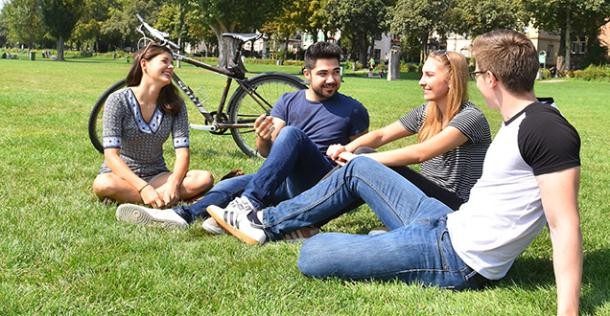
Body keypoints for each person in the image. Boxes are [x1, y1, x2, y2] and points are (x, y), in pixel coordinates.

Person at [209, 30, 582, 315]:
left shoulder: (544, 129)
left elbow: (563, 223)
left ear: (491, 80)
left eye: (480, 71)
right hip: (444, 220)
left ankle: (268, 218)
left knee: (314, 254)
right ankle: (263, 220)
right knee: (359, 167)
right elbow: (384, 136)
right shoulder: (519, 122)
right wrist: (353, 150)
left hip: (454, 257)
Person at [115, 41, 369, 231]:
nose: (331, 79)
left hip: (320, 182)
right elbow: (267, 153)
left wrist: (347, 152)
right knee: (228, 186)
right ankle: (184, 216)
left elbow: (361, 163)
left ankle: (245, 205)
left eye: (336, 72)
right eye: (323, 73)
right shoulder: (288, 101)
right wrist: (262, 136)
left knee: (293, 134)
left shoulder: (354, 109)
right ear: (307, 74)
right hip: (285, 180)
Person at [326, 50, 490, 210]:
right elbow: (381, 135)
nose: (421, 81)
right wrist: (346, 149)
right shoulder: (427, 111)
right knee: (362, 152)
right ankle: (307, 219)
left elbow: (420, 153)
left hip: (454, 206)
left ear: (452, 79)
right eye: (422, 74)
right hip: (428, 196)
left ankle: (304, 214)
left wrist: (359, 160)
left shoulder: (470, 117)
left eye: (429, 75)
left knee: (364, 157)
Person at [92, 43, 214, 210]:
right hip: (122, 177)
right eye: (164, 61)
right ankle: (158, 199)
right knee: (103, 184)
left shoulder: (175, 104)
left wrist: (174, 182)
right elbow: (111, 156)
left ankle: (135, 199)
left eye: (172, 62)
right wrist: (143, 188)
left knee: (204, 178)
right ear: (144, 64)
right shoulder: (117, 101)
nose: (171, 66)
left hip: (157, 175)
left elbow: (182, 154)